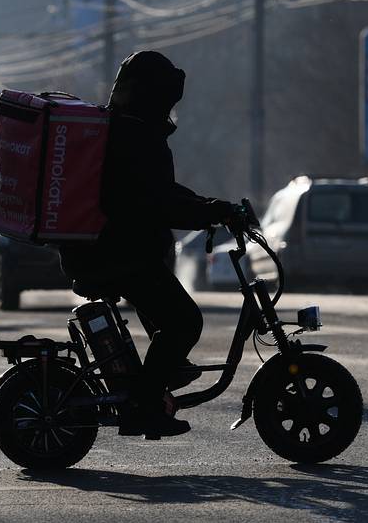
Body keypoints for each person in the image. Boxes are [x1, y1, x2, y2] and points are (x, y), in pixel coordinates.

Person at [60, 50, 236, 440]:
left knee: (168, 325)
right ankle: (143, 406)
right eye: (166, 100)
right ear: (151, 96)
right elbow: (158, 203)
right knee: (185, 322)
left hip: (109, 252)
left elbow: (162, 192)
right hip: (118, 255)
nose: (170, 110)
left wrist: (213, 207)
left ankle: (154, 385)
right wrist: (211, 213)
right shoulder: (135, 136)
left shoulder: (124, 130)